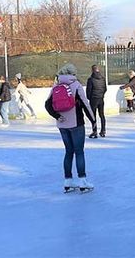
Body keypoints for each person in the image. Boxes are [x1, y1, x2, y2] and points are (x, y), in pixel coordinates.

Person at [47, 63, 95, 192]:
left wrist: (57, 116)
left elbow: (47, 105)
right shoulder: (76, 85)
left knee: (68, 151)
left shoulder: (56, 86)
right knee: (79, 152)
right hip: (76, 124)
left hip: (62, 125)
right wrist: (93, 120)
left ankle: (67, 181)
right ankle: (82, 181)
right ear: (73, 73)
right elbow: (85, 104)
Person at [86, 65, 107, 138]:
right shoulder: (103, 79)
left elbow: (88, 91)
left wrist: (89, 98)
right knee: (102, 115)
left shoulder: (91, 79)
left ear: (92, 70)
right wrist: (101, 95)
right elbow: (105, 89)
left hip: (93, 100)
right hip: (101, 99)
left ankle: (94, 131)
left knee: (93, 115)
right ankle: (103, 130)